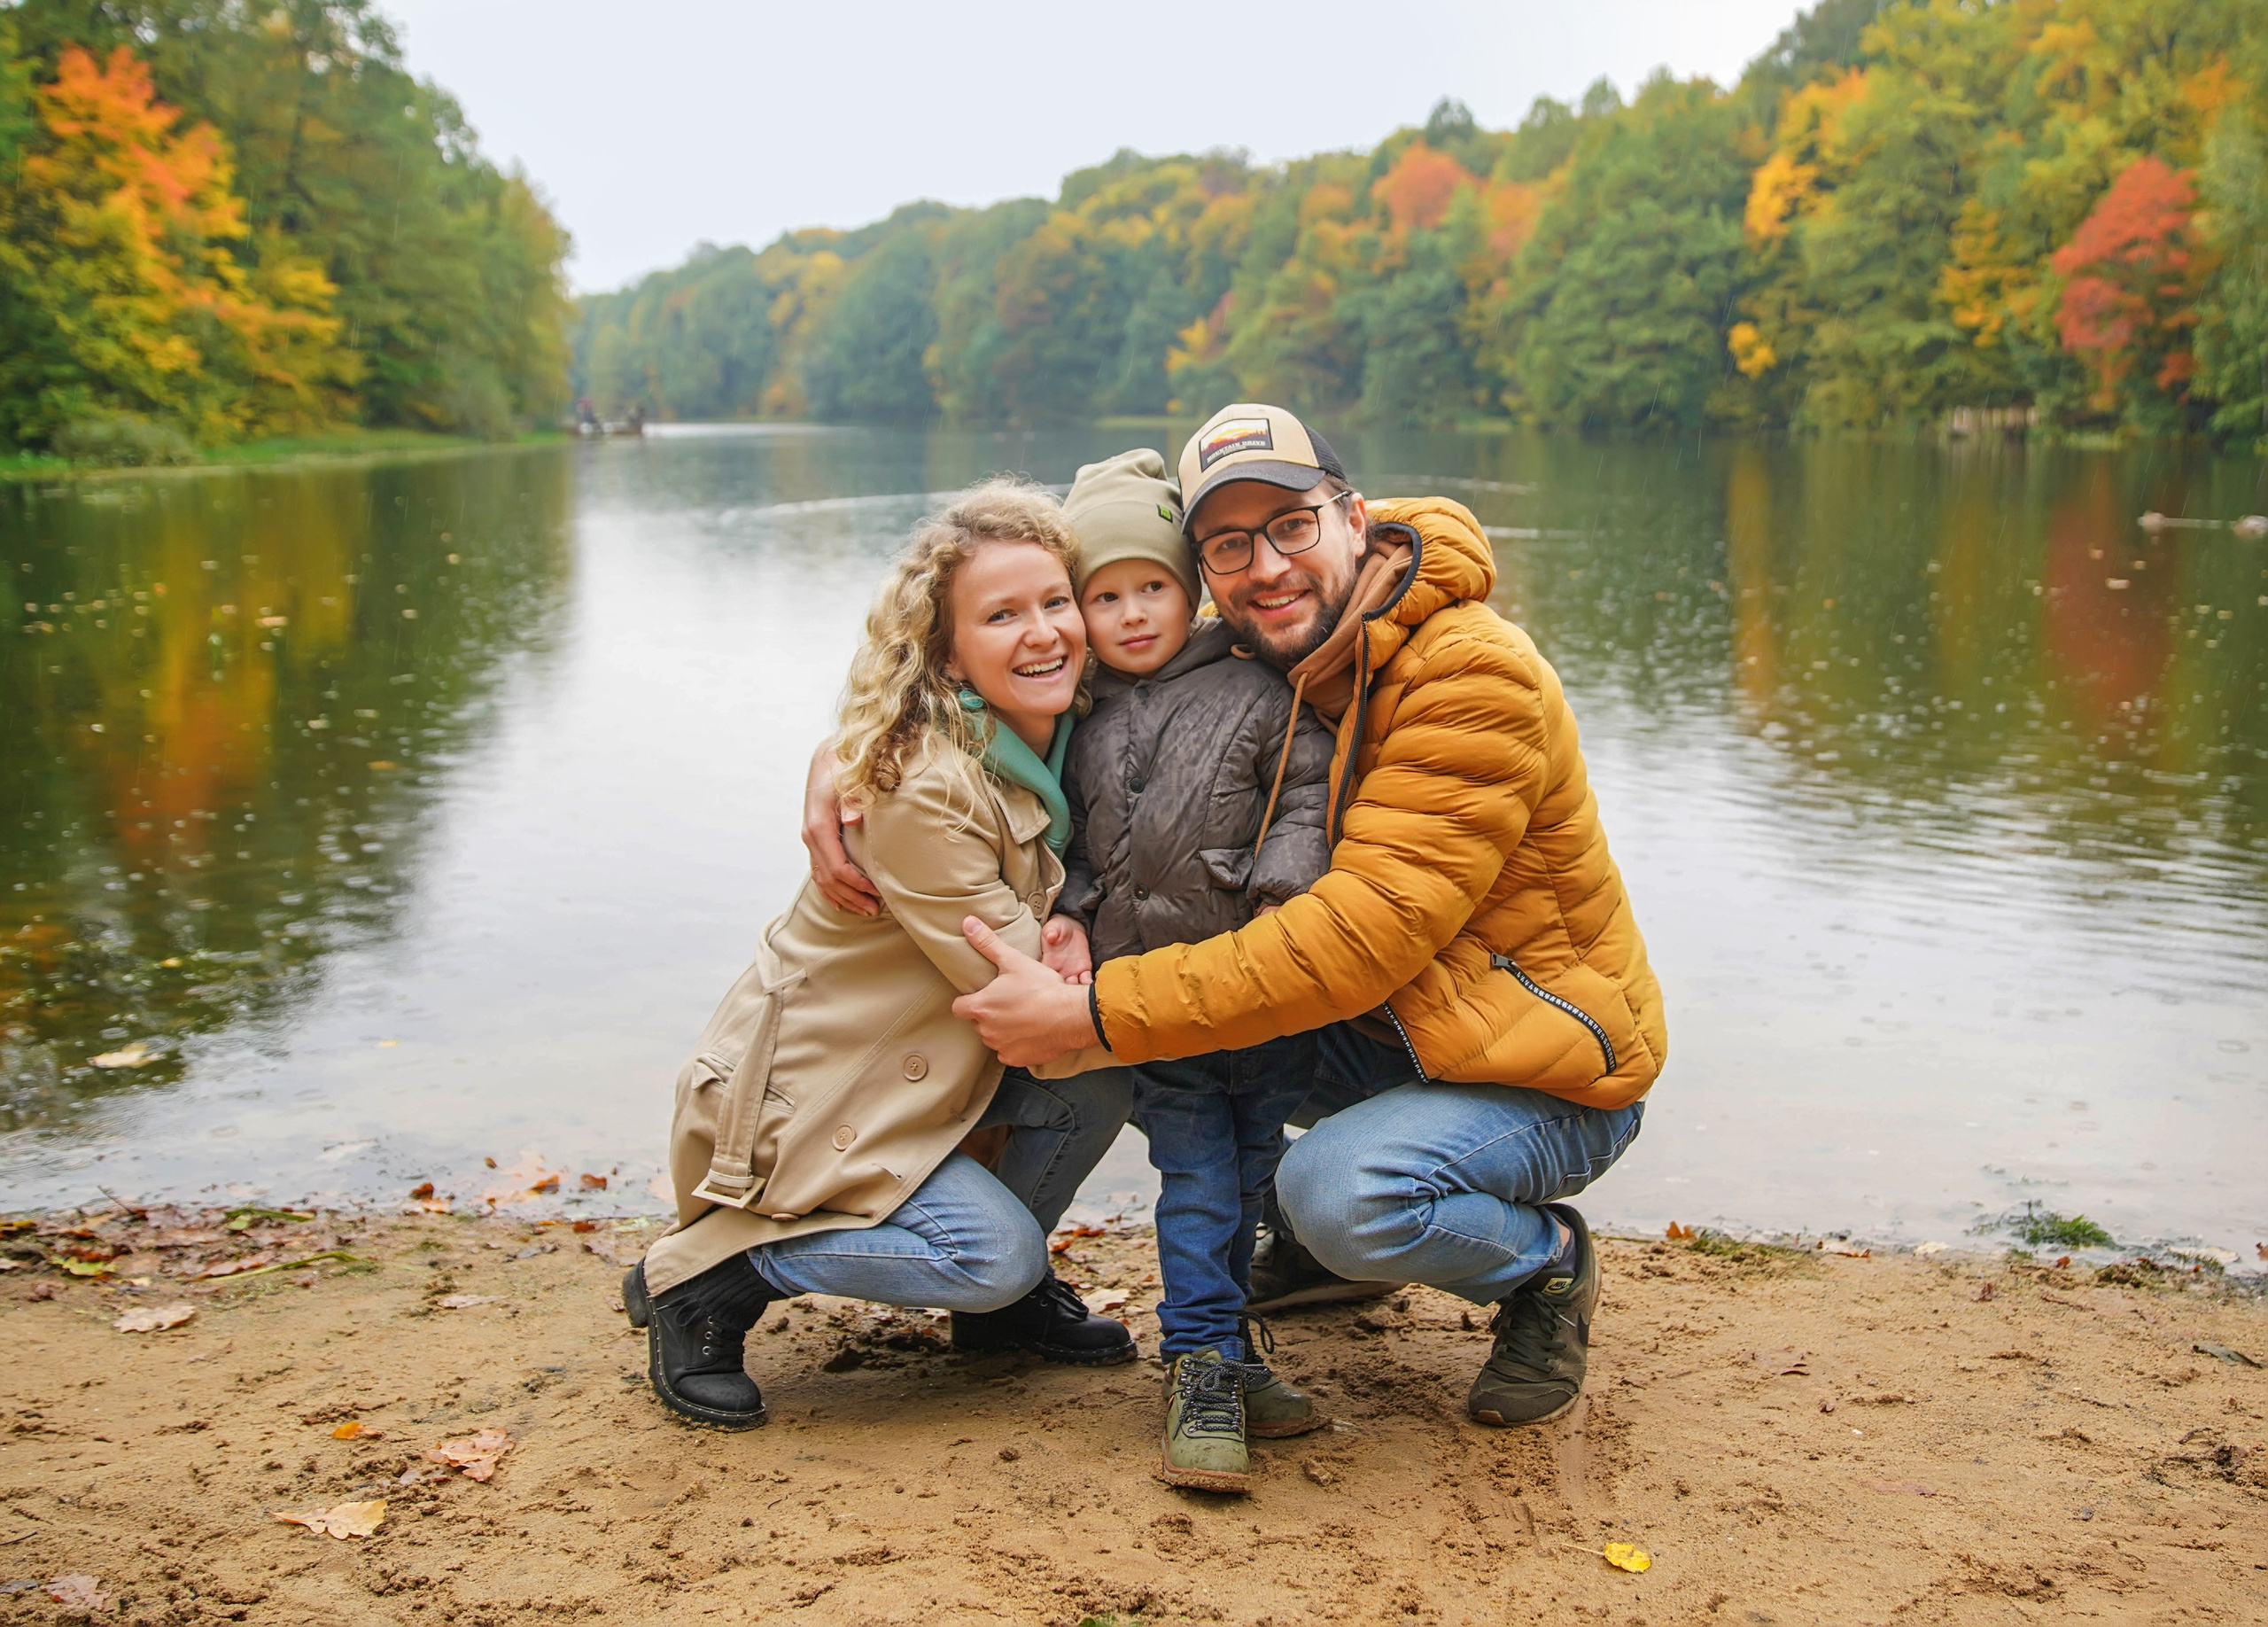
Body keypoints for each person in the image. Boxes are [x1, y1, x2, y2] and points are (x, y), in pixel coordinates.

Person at [819, 404, 1668, 1428]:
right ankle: (1318, 1264)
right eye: (1229, 546)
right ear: (1203, 574)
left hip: (1544, 1065)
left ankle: (1543, 1266)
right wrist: (848, 760)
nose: (1265, 566)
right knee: (1168, 1060)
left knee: (1335, 1185)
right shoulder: (1264, 636)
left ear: (1354, 519)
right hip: (1402, 1031)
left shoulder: (1470, 674)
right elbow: (994, 684)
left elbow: (1352, 943)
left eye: (1292, 527)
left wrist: (1089, 1015)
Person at [624, 480, 1133, 1429]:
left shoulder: (1056, 737)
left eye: (1056, 602)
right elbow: (1026, 998)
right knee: (992, 1255)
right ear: (946, 651)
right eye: (1002, 615)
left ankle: (999, 1321)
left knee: (1098, 1092)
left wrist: (1084, 930)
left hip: (917, 1076)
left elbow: (1161, 538)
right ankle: (712, 1276)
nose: (1044, 633)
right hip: (814, 1100)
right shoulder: (914, 784)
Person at [1050, 449, 1335, 1492]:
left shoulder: (1257, 685)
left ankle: (1232, 1347)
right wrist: (1073, 916)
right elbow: (1066, 844)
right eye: (1105, 596)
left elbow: (1304, 798)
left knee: (1255, 1166)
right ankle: (1198, 1363)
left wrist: (1279, 899)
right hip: (1149, 999)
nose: (1131, 615)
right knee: (1199, 1180)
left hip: (1259, 989)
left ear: (1189, 587)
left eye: (1152, 589)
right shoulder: (1076, 713)